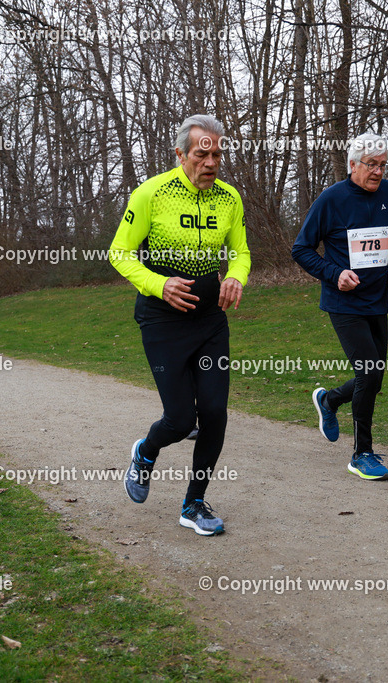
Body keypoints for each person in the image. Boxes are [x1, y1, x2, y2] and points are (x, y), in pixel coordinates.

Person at [108, 114, 251, 536]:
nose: (210, 162)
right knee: (179, 419)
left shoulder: (230, 198)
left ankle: (194, 504)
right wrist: (158, 284)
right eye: (201, 154)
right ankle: (145, 453)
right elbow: (120, 253)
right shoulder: (151, 193)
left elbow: (240, 252)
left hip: (209, 319)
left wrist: (235, 277)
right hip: (163, 320)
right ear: (180, 154)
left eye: (217, 154)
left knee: (214, 413)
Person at [291, 133, 388, 481]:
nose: (378, 172)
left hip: (377, 300)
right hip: (344, 302)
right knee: (370, 373)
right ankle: (361, 454)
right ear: (352, 165)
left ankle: (329, 401)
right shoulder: (331, 199)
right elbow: (301, 249)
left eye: (383, 165)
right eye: (371, 165)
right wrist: (334, 273)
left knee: (374, 379)